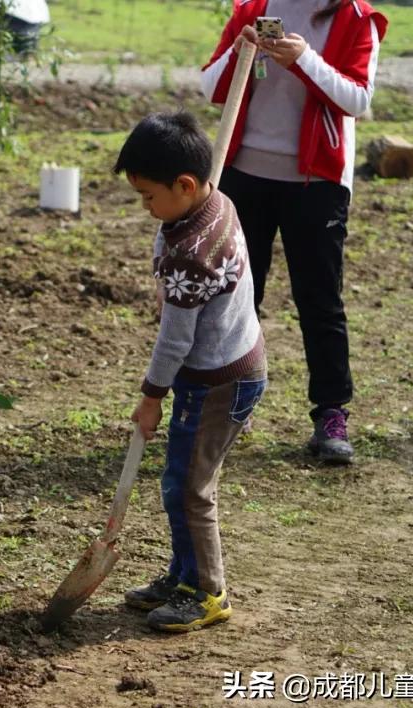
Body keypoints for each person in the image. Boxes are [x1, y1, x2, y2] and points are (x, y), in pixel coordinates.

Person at [201, 0, 388, 464]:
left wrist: (304, 60)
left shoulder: (356, 18)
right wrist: (241, 48)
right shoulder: (254, 9)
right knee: (238, 294)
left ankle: (331, 414)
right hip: (245, 174)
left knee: (320, 300)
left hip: (318, 182)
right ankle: (227, 407)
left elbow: (358, 99)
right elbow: (209, 86)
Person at [114, 112, 267, 632]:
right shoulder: (215, 201)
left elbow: (174, 340)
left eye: (149, 196)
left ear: (184, 184)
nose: (146, 208)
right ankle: (183, 574)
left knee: (189, 488)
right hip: (234, 364)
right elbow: (168, 235)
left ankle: (206, 591)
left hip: (218, 382)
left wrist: (151, 396)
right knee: (179, 480)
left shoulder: (191, 256)